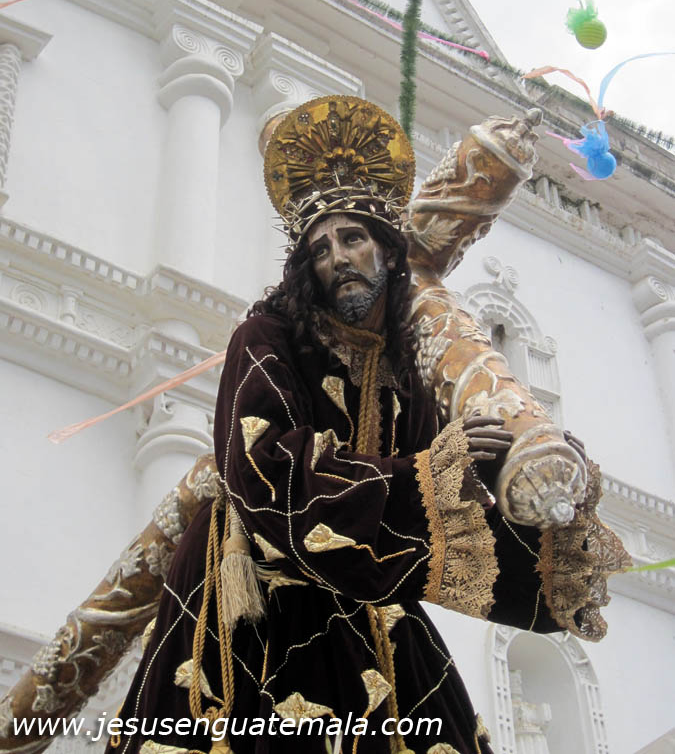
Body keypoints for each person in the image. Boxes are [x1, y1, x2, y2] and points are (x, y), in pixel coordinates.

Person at [103, 97, 622, 754]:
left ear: (386, 250)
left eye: (352, 238)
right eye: (320, 248)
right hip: (262, 586)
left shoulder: (406, 369)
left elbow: (447, 509)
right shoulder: (267, 336)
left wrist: (534, 511)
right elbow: (262, 467)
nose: (338, 257)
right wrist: (430, 473)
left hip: (371, 594)